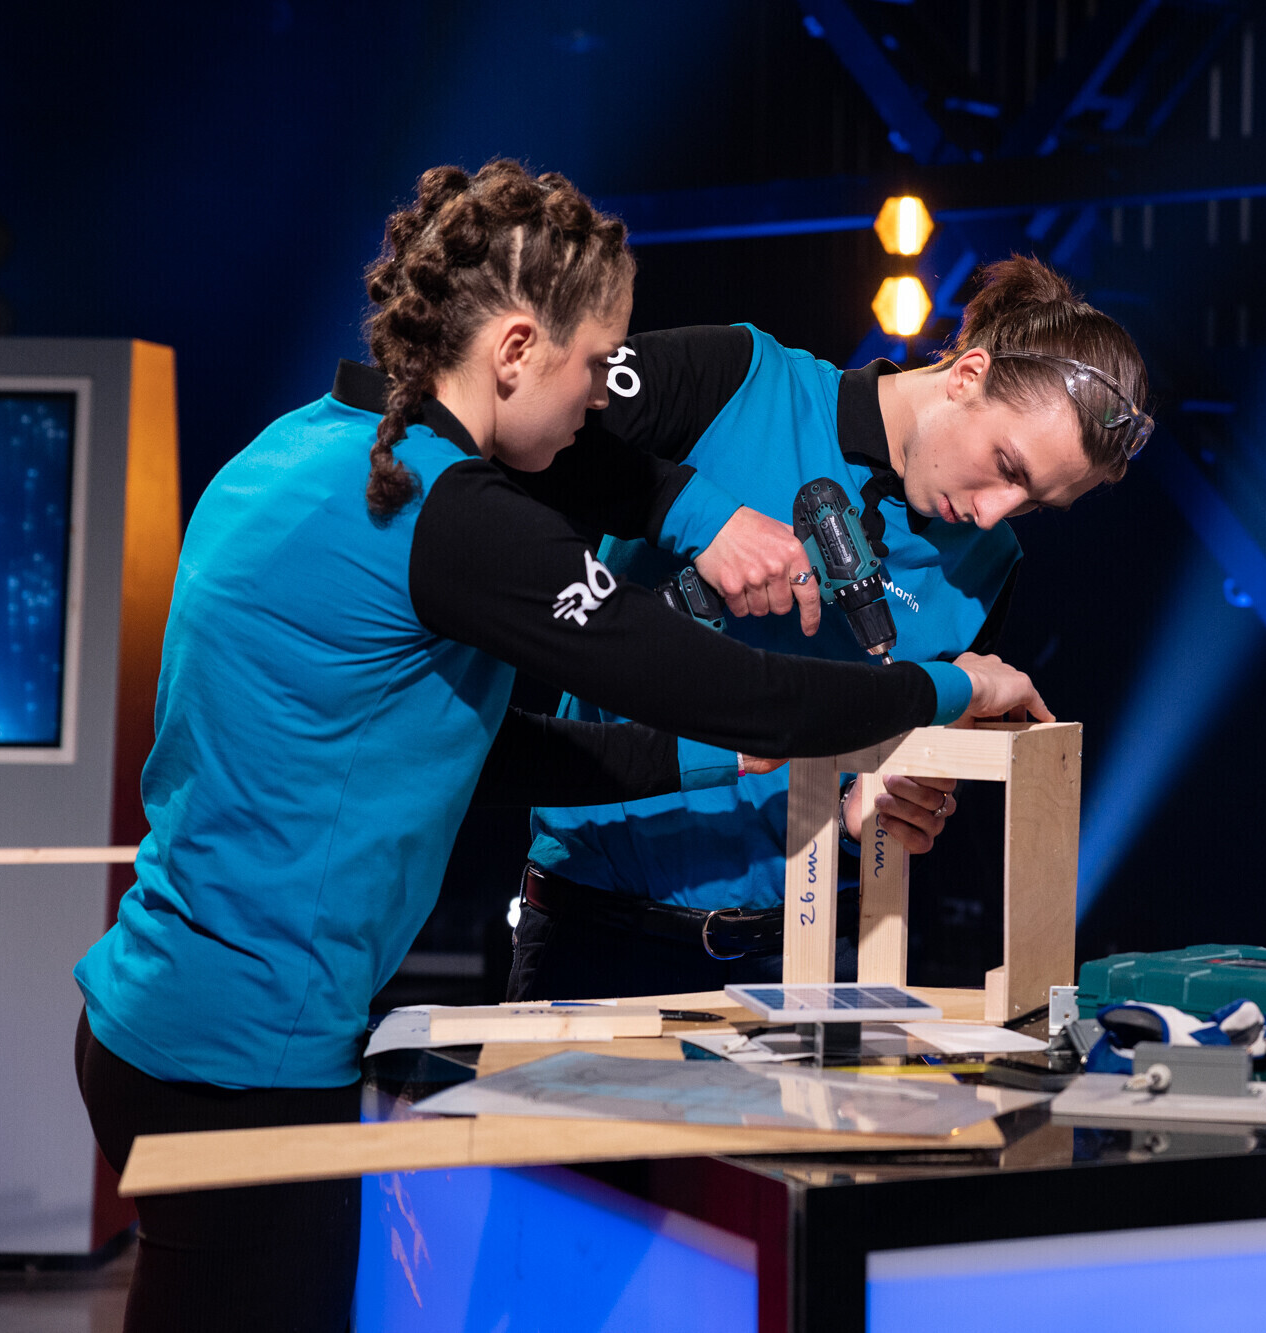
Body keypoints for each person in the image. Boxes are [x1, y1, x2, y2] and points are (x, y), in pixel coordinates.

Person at [69, 160, 1048, 1333]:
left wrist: (729, 763)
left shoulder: (304, 447)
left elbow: (482, 756)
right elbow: (741, 692)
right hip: (243, 1058)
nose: (600, 403)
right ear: (517, 349)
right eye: (594, 365)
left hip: (154, 1020)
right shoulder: (455, 518)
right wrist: (952, 684)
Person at [508, 255, 1151, 1002]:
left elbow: (888, 764)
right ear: (969, 373)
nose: (993, 513)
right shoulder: (742, 380)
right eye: (1007, 465)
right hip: (594, 929)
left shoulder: (990, 564)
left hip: (800, 958)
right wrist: (699, 517)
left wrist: (871, 812)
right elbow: (516, 432)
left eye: (1035, 503)